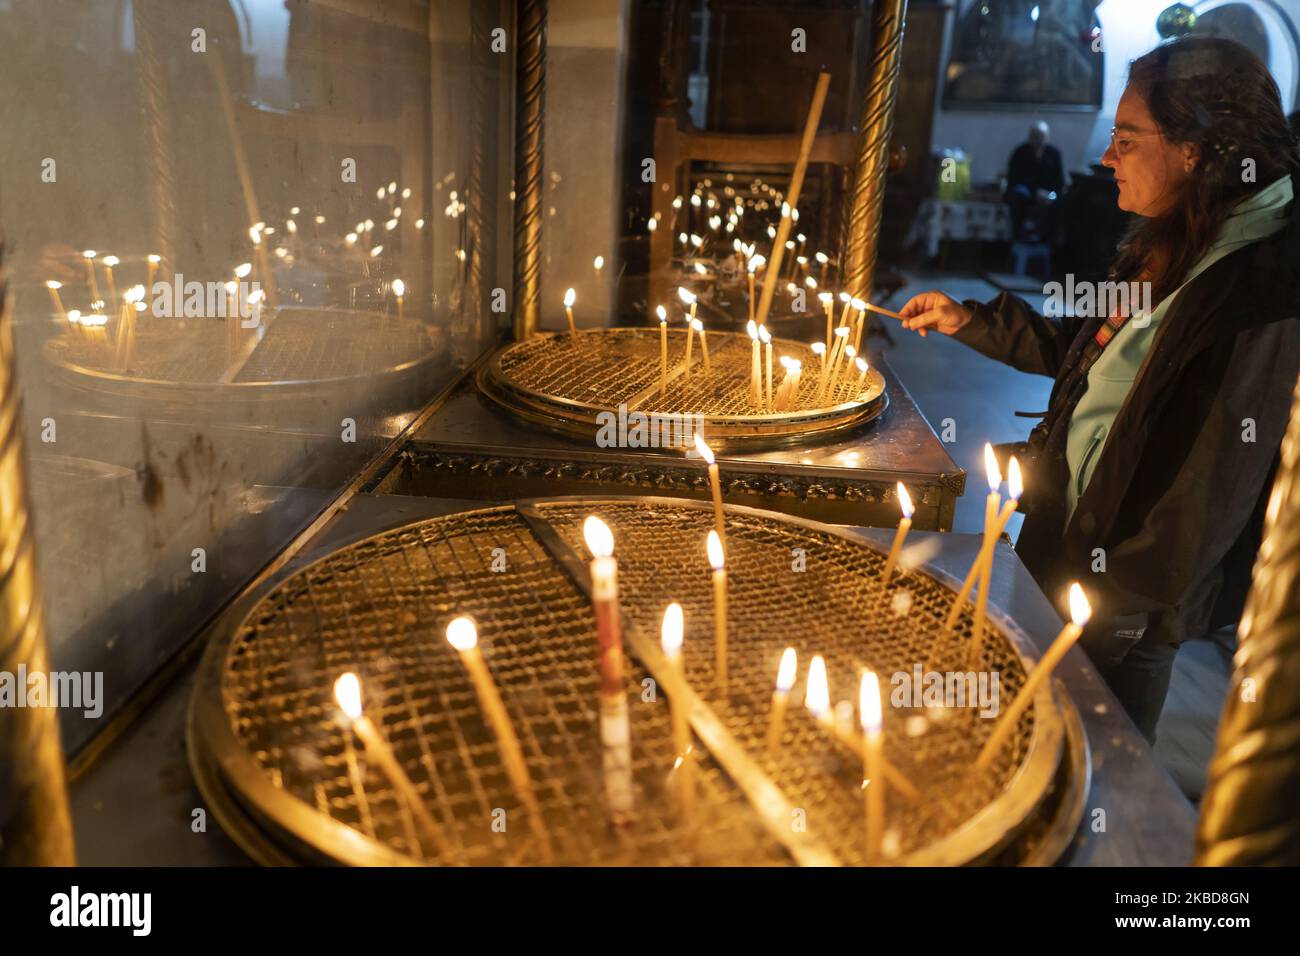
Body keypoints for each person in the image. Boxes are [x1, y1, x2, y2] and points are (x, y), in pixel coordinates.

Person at [898, 38, 1300, 743]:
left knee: (1090, 770)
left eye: (1126, 138)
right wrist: (971, 321)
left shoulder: (1264, 284)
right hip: (1064, 545)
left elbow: (1214, 488)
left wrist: (1115, 608)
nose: (1108, 157)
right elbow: (1088, 351)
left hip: (1119, 603)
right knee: (1015, 736)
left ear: (1194, 151)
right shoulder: (1180, 236)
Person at [1005, 121, 1066, 241]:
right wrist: (1035, 192)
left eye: (1041, 136)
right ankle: (1018, 237)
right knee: (1019, 194)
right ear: (1029, 137)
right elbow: (1015, 178)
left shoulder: (1054, 153)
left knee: (1061, 199)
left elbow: (1059, 181)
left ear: (1047, 137)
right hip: (1027, 191)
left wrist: (1050, 195)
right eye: (1035, 136)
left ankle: (1050, 241)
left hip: (1049, 193)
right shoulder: (1020, 152)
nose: (1038, 140)